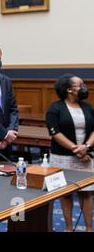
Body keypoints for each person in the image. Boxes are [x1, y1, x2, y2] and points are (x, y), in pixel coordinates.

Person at [46, 74, 94, 232]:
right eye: (80, 85)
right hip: (62, 158)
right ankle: (68, 228)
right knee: (65, 194)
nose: (83, 87)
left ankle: (88, 228)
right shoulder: (55, 108)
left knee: (87, 193)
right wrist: (77, 149)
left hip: (86, 156)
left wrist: (86, 147)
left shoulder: (87, 107)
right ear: (68, 89)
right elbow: (55, 132)